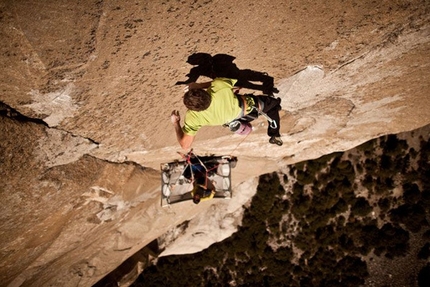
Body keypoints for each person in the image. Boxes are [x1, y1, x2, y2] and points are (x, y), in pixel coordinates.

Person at [171, 77, 283, 149]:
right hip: (247, 108)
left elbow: (185, 145)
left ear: (191, 108)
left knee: (239, 114)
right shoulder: (218, 86)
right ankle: (274, 134)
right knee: (274, 105)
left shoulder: (192, 117)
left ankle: (240, 126)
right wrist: (199, 85)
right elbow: (237, 83)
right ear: (204, 93)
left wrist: (176, 123)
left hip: (234, 118)